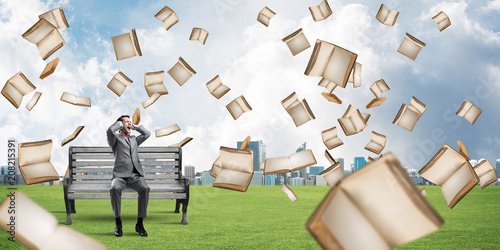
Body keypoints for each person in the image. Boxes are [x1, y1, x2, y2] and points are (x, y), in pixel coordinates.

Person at [106, 115, 151, 237]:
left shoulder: (134, 139)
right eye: (126, 122)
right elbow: (109, 130)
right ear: (120, 126)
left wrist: (134, 126)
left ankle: (140, 224)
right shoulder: (115, 139)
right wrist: (120, 124)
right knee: (114, 189)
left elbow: (147, 134)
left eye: (130, 122)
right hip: (120, 176)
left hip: (135, 175)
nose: (129, 123)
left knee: (145, 189)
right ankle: (118, 223)